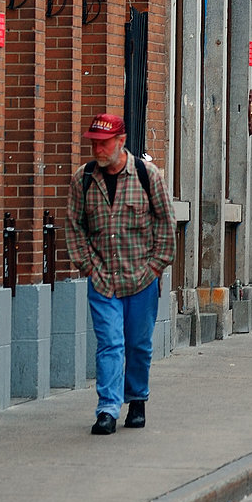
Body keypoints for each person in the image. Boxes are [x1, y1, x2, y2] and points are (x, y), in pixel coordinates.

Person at [65, 114, 173, 435]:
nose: (98, 149)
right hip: (102, 280)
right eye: (94, 143)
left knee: (138, 345)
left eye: (104, 143)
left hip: (141, 278)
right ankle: (108, 409)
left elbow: (166, 227)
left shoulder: (147, 176)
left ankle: (136, 398)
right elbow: (74, 230)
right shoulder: (82, 180)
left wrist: (155, 267)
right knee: (110, 343)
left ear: (121, 141)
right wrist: (89, 267)